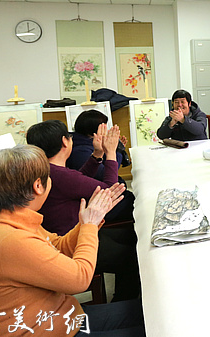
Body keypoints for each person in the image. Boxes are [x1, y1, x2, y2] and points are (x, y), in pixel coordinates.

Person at [0, 145, 148, 337]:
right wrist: (88, 227)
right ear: (38, 186)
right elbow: (79, 279)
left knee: (150, 313)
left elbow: (58, 246)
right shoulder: (8, 240)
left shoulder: (9, 218)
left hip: (57, 322)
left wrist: (85, 223)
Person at [26, 120, 140, 302]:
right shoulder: (59, 175)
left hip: (70, 233)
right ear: (65, 142)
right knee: (134, 254)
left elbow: (78, 180)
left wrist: (97, 154)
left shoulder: (47, 170)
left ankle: (124, 298)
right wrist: (111, 153)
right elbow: (110, 191)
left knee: (134, 236)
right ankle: (123, 303)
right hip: (71, 243)